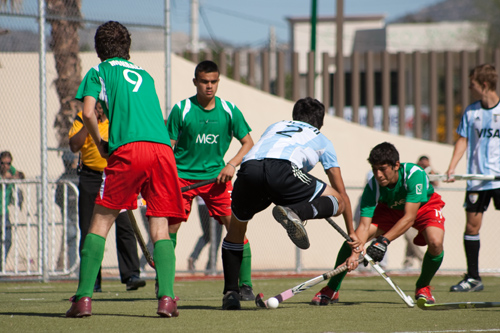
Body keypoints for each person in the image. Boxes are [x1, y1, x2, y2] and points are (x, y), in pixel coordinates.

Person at [66, 21, 185, 318]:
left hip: (129, 149)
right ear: (128, 48)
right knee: (159, 229)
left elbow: (88, 112)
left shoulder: (99, 71)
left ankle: (82, 299)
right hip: (162, 151)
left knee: (99, 224)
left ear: (98, 49)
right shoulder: (145, 75)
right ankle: (167, 299)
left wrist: (101, 144)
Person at [220, 97, 360, 310]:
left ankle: (230, 293)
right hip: (284, 170)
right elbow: (342, 194)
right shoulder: (322, 139)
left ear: (295, 116)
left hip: (249, 169)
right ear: (320, 122)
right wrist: (353, 233)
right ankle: (295, 211)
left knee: (236, 230)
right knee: (337, 201)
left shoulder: (275, 126)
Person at [311, 142, 445, 306]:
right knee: (354, 240)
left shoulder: (413, 174)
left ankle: (423, 286)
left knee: (435, 242)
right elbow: (364, 227)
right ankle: (331, 289)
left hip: (424, 207)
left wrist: (383, 241)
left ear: (396, 165)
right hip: (390, 210)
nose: (378, 174)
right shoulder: (373, 186)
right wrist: (355, 253)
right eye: (375, 169)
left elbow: (409, 217)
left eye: (383, 169)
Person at [166, 60, 255, 300]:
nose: (209, 86)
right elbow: (167, 148)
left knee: (236, 226)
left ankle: (245, 284)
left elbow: (248, 143)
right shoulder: (181, 109)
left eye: (213, 81)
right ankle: (163, 283)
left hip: (217, 179)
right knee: (170, 228)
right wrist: (168, 175)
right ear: (195, 82)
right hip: (182, 179)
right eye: (204, 81)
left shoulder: (229, 110)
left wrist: (231, 164)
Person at [69, 103, 146, 293]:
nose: (99, 108)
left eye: (101, 105)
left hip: (117, 177)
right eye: (95, 105)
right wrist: (89, 122)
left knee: (126, 225)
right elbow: (74, 146)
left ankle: (131, 275)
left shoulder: (117, 118)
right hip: (90, 177)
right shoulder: (81, 118)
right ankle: (92, 279)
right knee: (89, 228)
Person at [445, 63, 500, 292]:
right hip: (477, 180)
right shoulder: (471, 111)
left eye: (472, 84)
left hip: (498, 179)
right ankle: (474, 278)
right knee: (472, 227)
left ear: (484, 85)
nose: (470, 88)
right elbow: (463, 140)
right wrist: (452, 167)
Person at [0, 151, 25, 272]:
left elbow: (21, 175)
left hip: (3, 212)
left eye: (8, 163)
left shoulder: (10, 170)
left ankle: (1, 264)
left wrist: (14, 176)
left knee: (8, 240)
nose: (5, 166)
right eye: (3, 163)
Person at [55, 151, 79, 270]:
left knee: (78, 237)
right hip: (69, 212)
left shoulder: (77, 175)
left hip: (78, 211)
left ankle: (80, 266)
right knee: (72, 237)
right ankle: (75, 266)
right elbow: (58, 198)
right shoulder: (64, 178)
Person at [187, 197, 223, 274]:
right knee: (216, 237)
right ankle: (210, 267)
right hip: (213, 205)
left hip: (201, 205)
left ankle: (193, 256)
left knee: (207, 235)